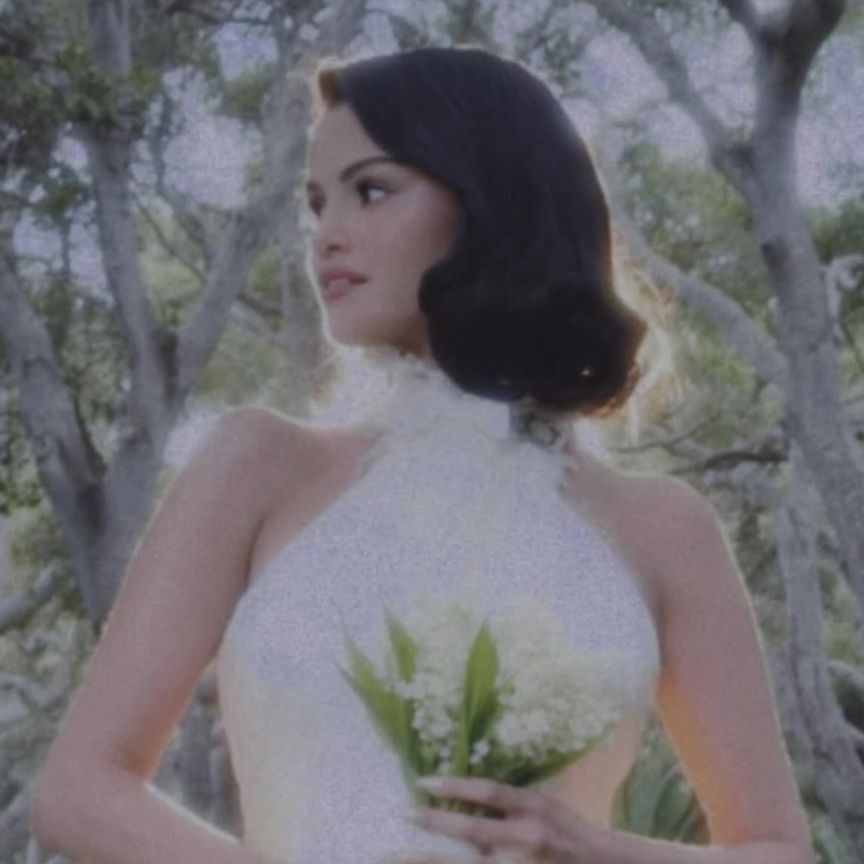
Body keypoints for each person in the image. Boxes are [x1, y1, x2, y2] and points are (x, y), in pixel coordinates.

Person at [30, 46, 813, 864]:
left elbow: (776, 850)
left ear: (490, 198)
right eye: (316, 204)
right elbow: (82, 790)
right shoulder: (259, 466)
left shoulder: (663, 530)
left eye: (370, 190)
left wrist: (591, 849)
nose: (327, 234)